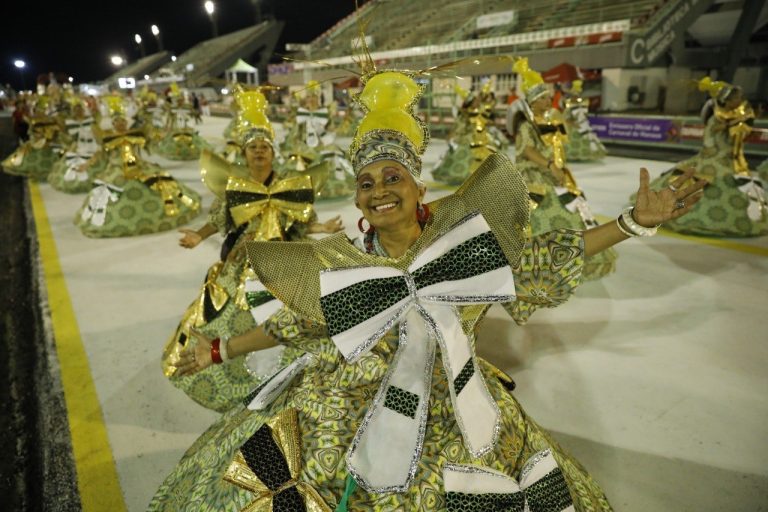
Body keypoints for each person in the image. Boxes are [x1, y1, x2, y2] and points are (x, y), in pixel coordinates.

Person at [148, 69, 704, 512]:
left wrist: (633, 224)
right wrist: (217, 348)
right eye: (366, 183)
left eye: (393, 178)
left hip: (454, 401)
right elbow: (294, 324)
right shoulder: (348, 262)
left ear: (417, 186)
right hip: (346, 397)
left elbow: (539, 261)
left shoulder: (460, 250)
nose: (378, 191)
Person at [166, 88, 343, 412]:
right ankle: (227, 365)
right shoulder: (236, 187)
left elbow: (301, 222)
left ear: (273, 153)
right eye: (253, 148)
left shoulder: (288, 184)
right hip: (243, 260)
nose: (259, 152)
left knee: (304, 308)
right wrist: (199, 237)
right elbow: (218, 219)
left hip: (286, 256)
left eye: (264, 147)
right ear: (244, 154)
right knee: (231, 305)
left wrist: (322, 229)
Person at [509, 58, 617, 280]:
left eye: (549, 97)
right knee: (545, 210)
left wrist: (558, 166)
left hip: (554, 173)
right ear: (533, 102)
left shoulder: (551, 122)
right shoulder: (525, 126)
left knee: (572, 207)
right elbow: (528, 151)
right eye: (544, 98)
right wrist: (549, 165)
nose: (549, 101)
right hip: (532, 175)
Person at [632, 77, 767, 237]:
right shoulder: (715, 121)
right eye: (736, 98)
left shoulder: (734, 118)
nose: (739, 101)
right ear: (726, 101)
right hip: (714, 159)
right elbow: (710, 145)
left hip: (730, 159)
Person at [74, 94, 201, 237]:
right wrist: (86, 165)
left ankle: (173, 205)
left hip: (139, 166)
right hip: (117, 169)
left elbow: (151, 139)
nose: (121, 124)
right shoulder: (108, 138)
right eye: (117, 122)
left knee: (161, 179)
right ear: (113, 124)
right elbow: (99, 154)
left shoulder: (136, 135)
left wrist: (162, 134)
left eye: (123, 122)